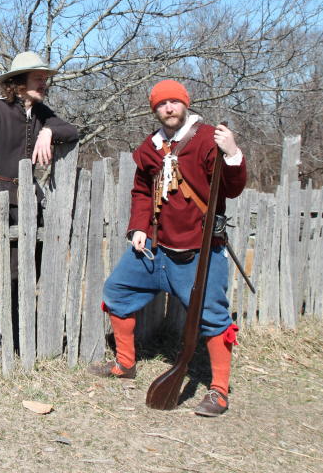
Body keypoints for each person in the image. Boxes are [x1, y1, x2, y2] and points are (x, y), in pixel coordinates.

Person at [91, 79, 246, 416]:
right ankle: (125, 364)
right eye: (162, 104)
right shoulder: (150, 147)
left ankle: (219, 391)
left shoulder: (208, 139)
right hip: (155, 250)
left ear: (184, 104)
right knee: (117, 291)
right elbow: (142, 192)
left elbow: (232, 190)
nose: (169, 108)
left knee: (213, 318)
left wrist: (232, 153)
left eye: (174, 102)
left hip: (198, 251)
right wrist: (139, 228)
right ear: (155, 110)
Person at [0, 51, 79, 371]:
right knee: (0, 277)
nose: (45, 84)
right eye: (39, 78)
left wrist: (49, 131)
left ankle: (19, 340)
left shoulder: (40, 113)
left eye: (45, 79)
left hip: (29, 204)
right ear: (18, 82)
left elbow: (72, 131)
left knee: (26, 275)